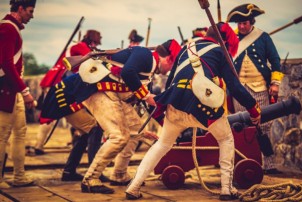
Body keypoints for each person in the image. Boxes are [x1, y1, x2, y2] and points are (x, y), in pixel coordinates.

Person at [125, 23, 261, 201]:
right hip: (202, 108)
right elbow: (235, 87)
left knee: (162, 145)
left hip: (175, 103)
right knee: (226, 139)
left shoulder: (184, 49)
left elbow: (171, 80)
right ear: (226, 40)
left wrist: (167, 105)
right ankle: (226, 190)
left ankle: (133, 188)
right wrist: (253, 109)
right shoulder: (221, 52)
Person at [54, 39, 181, 194]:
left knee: (137, 129)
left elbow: (147, 103)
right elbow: (128, 73)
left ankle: (119, 174)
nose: (169, 71)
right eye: (172, 66)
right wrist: (147, 95)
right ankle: (90, 179)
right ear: (168, 58)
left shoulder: (149, 70)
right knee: (119, 136)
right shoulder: (146, 55)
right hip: (98, 90)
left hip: (111, 93)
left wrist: (166, 123)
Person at [38, 30, 109, 182]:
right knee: (94, 129)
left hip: (68, 94)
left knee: (86, 133)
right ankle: (94, 174)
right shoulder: (82, 49)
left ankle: (69, 171)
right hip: (65, 97)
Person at [226, 3, 284, 174]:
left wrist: (275, 83)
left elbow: (275, 60)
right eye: (239, 24)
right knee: (240, 126)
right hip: (238, 91)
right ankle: (245, 163)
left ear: (251, 21)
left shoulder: (263, 37)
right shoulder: (231, 39)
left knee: (262, 126)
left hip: (259, 88)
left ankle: (269, 164)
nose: (242, 26)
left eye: (245, 23)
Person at [0, 0, 37, 188]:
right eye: (30, 11)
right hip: (7, 90)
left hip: (13, 91)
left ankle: (19, 176)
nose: (32, 15)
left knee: (20, 133)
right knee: (2, 135)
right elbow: (6, 64)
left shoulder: (12, 28)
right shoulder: (8, 29)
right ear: (20, 8)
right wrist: (25, 91)